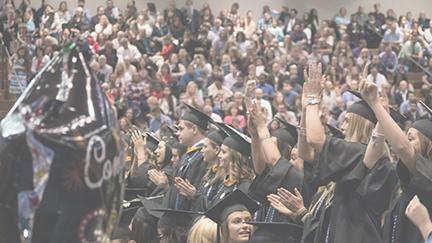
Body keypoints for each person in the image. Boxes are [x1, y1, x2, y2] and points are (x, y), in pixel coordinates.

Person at [301, 62, 397, 243]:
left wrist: (313, 99)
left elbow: (315, 140)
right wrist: (305, 109)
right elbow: (306, 153)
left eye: (347, 120)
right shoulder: (364, 156)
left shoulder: (357, 154)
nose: (341, 126)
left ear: (359, 124)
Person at [359, 77, 432, 243]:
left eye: (411, 138)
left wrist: (376, 105)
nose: (405, 140)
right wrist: (381, 119)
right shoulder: (402, 178)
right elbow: (370, 161)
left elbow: (403, 148)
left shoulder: (429, 175)